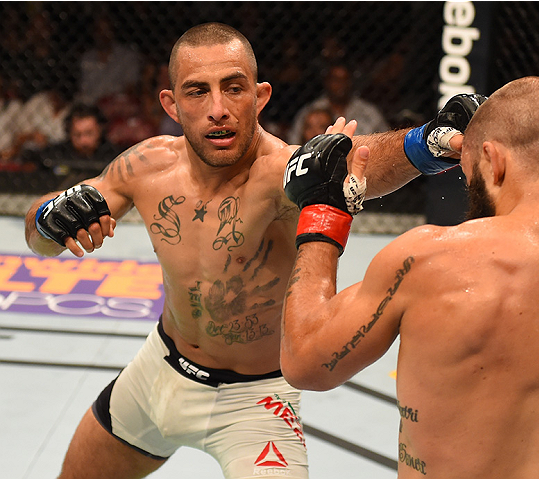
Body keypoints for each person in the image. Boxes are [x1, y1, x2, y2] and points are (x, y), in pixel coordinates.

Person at [23, 22, 481, 479]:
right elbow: (38, 240)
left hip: (257, 401)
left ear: (259, 97)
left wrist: (428, 142)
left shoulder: (280, 171)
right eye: (198, 92)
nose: (218, 109)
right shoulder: (146, 165)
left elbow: (356, 160)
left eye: (234, 88)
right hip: (158, 373)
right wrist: (48, 219)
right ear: (171, 104)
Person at [280, 76, 539, 479]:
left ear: (493, 160)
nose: (470, 184)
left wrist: (323, 208)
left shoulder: (429, 260)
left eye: (470, 172)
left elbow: (306, 360)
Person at [286, 63, 389, 144]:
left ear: (350, 82)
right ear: (327, 82)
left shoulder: (369, 112)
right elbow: (294, 141)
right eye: (335, 79)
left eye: (344, 79)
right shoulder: (311, 111)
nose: (340, 84)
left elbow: (385, 140)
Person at [31, 103, 121, 190]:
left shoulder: (114, 157)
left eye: (89, 133)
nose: (83, 141)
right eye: (77, 135)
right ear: (69, 133)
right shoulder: (55, 153)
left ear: (100, 130)